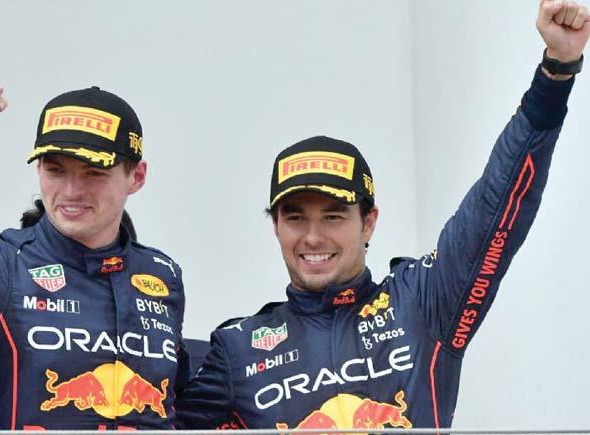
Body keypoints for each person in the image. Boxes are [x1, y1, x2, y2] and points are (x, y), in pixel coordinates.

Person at [176, 0, 590, 430]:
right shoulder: (238, 350)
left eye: (333, 217)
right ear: (276, 227)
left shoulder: (422, 303)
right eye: (295, 218)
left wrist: (556, 73)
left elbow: (495, 204)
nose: (313, 237)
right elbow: (148, 413)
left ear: (369, 222)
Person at [0, 80, 187, 430]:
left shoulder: (162, 275)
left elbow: (176, 406)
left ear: (137, 177)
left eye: (94, 173)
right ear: (39, 168)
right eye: (56, 170)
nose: (71, 191)